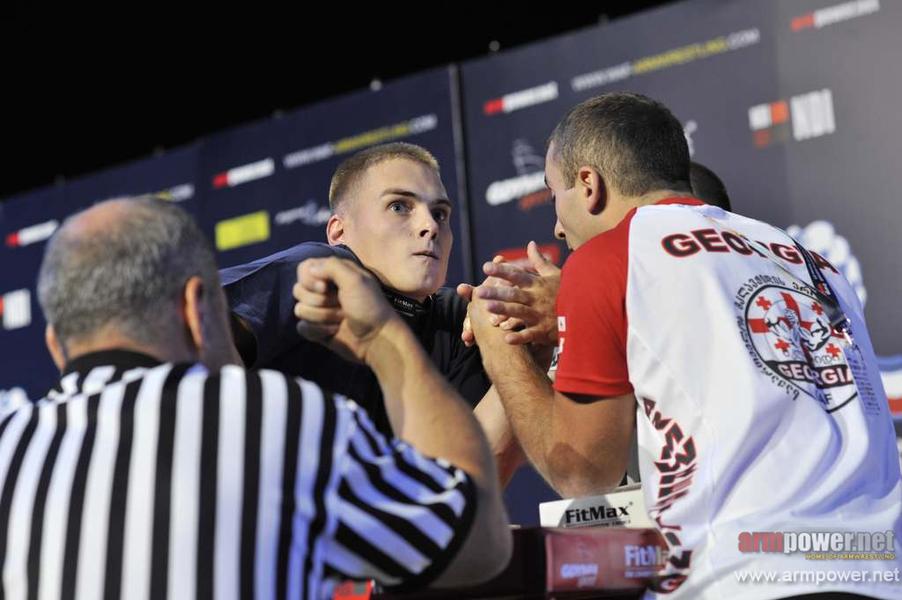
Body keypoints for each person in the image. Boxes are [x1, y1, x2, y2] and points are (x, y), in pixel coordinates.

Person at [466, 92, 901, 599]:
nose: (558, 227)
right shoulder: (812, 263)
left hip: (746, 578)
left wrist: (502, 352)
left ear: (588, 185)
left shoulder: (610, 256)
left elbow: (581, 470)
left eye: (553, 194)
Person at [0, 196, 510, 599]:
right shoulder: (281, 417)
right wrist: (385, 340)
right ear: (198, 306)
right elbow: (475, 544)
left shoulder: (10, 445)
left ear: (54, 344)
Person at [222, 142, 489, 437]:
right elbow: (180, 347)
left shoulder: (459, 322)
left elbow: (469, 475)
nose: (430, 226)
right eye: (399, 207)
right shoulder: (316, 270)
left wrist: (512, 348)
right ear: (338, 231)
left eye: (440, 213)